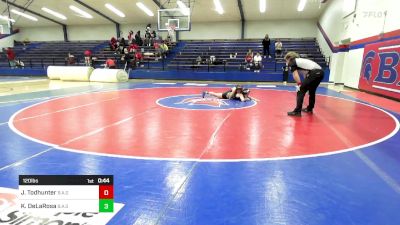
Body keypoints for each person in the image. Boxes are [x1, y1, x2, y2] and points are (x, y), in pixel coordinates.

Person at [285, 51, 324, 116]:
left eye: (286, 60)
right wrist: (305, 84)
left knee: (300, 91)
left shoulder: (292, 61)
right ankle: (309, 108)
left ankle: (297, 111)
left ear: (289, 58)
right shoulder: (300, 61)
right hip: (321, 73)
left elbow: (295, 74)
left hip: (314, 73)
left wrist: (299, 85)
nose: (286, 62)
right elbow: (306, 75)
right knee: (312, 91)